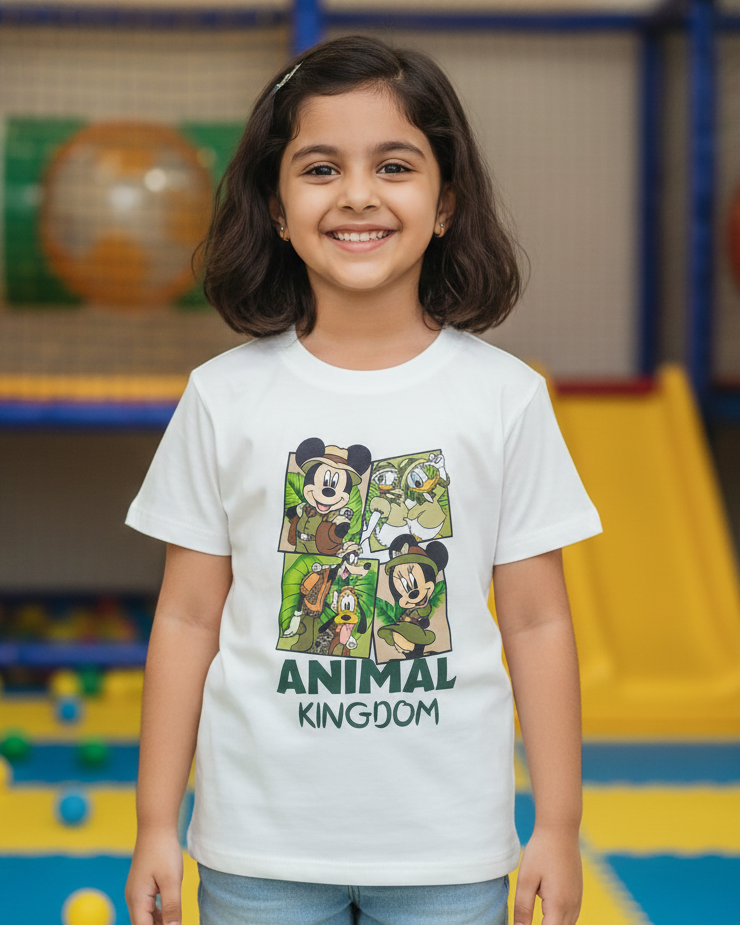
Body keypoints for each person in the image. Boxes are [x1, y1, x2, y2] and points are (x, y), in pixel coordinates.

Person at [124, 34, 602, 925]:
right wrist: (157, 820)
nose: (357, 195)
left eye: (394, 164)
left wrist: (559, 825)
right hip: (256, 848)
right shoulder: (223, 397)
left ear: (446, 201)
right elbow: (186, 617)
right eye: (318, 167)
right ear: (274, 206)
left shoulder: (506, 397)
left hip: (448, 851)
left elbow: (538, 622)